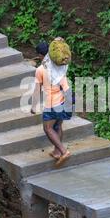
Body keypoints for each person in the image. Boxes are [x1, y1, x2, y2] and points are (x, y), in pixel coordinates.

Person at [31, 38, 72, 168]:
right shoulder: (61, 65)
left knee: (48, 128)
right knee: (58, 126)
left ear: (39, 55)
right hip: (65, 100)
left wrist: (33, 107)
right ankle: (56, 152)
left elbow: (37, 90)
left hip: (52, 104)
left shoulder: (41, 70)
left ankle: (64, 151)